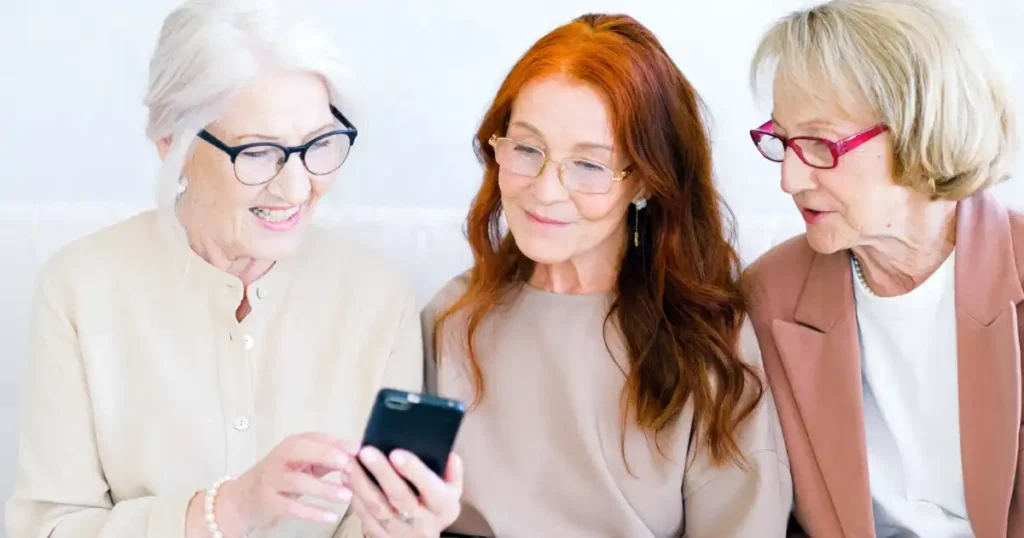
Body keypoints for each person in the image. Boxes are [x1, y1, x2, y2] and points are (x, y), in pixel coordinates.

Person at [5, 1, 462, 537]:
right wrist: (229, 509)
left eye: (318, 144)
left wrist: (405, 527)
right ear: (171, 142)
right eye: (257, 152)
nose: (296, 188)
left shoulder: (377, 295)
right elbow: (48, 528)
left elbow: (370, 522)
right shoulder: (80, 288)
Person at [350, 13, 793, 537]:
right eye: (528, 150)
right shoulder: (450, 318)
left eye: (589, 165)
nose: (545, 190)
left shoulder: (707, 337)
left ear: (647, 183)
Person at [742, 0, 1022, 536]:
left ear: (921, 128)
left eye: (821, 144)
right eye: (782, 142)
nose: (790, 180)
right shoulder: (767, 297)